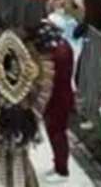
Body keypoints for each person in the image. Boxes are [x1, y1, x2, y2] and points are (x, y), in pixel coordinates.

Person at [42, 22, 75, 183]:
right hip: (58, 97)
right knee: (54, 132)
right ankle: (58, 164)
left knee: (57, 133)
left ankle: (62, 170)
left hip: (59, 98)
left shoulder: (59, 52)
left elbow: (54, 76)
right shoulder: (62, 47)